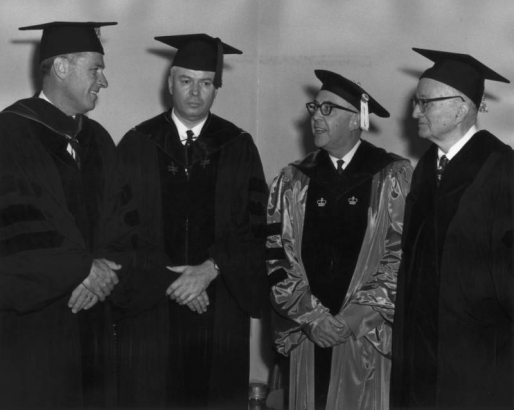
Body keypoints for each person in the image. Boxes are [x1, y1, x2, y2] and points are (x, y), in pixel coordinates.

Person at [117, 33, 268, 409]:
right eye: (186, 81)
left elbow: (256, 226)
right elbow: (118, 229)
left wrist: (211, 268)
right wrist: (172, 279)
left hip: (220, 303)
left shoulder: (238, 145)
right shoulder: (137, 144)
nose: (195, 92)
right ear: (169, 83)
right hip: (153, 302)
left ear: (217, 88)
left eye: (206, 83)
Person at [266, 69, 412, 410]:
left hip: (364, 336)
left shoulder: (391, 175)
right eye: (315, 107)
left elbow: (400, 255)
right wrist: (313, 318)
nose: (316, 116)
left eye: (328, 109)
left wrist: (351, 320)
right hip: (309, 333)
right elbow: (277, 257)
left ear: (356, 120)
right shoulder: (292, 180)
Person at [0, 21, 123, 408]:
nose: (103, 81)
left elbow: (123, 221)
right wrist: (81, 270)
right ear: (62, 68)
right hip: (39, 323)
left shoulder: (99, 140)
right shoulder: (10, 134)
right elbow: (16, 229)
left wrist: (102, 272)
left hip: (97, 319)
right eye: (96, 69)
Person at [390, 49, 514, 409]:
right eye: (416, 102)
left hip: (477, 356)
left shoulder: (501, 169)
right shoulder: (426, 168)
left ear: (460, 108)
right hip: (420, 350)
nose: (414, 112)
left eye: (424, 103)